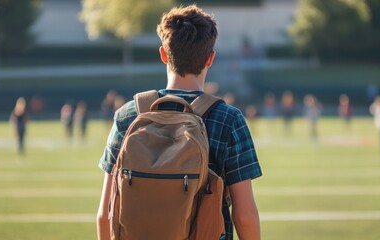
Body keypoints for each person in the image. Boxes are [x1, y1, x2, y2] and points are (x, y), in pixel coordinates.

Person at [97, 5, 262, 240]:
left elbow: (106, 214)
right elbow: (245, 217)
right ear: (210, 59)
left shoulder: (127, 116)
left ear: (163, 54)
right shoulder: (229, 119)